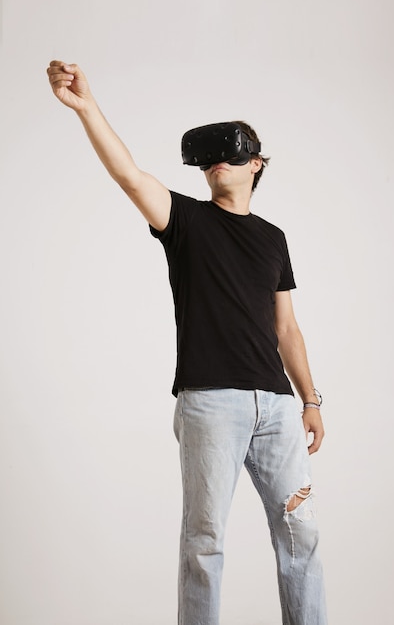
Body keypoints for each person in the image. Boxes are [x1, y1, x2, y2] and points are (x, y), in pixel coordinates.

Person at [47, 60, 327, 625]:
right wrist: (86, 107)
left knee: (302, 534)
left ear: (257, 164)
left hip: (275, 406)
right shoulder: (186, 221)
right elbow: (129, 175)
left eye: (233, 151)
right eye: (210, 156)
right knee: (204, 541)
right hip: (210, 403)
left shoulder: (274, 238)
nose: (218, 161)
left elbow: (287, 328)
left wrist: (311, 399)